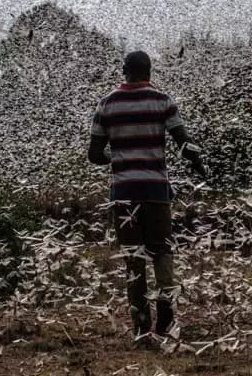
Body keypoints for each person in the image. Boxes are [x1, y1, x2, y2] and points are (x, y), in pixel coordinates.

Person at [87, 50, 206, 340]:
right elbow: (183, 143)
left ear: (123, 70)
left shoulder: (106, 105)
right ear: (149, 72)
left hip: (124, 194)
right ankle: (165, 318)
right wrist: (198, 163)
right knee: (162, 254)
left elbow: (93, 154)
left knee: (133, 259)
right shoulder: (163, 101)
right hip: (156, 191)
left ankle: (141, 327)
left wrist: (117, 159)